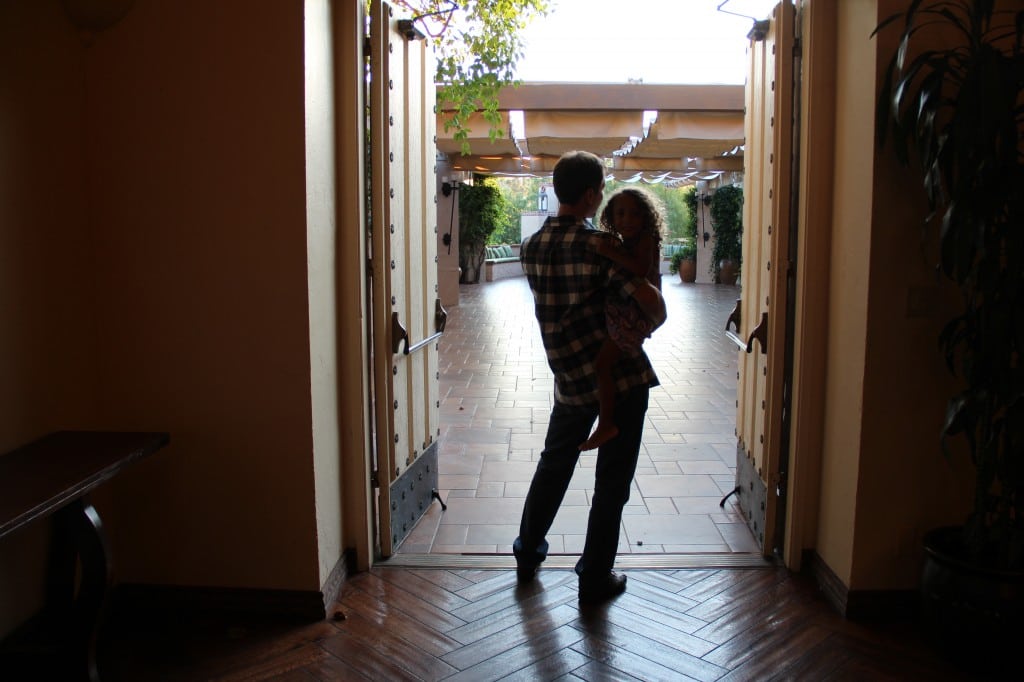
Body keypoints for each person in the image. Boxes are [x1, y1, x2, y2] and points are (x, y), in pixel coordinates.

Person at [514, 151, 667, 605]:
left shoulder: (531, 246)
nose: (602, 197)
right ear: (588, 194)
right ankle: (594, 576)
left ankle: (527, 554)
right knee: (611, 484)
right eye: (600, 190)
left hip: (568, 380)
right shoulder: (600, 247)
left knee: (553, 465)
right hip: (619, 382)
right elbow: (653, 308)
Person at [579, 187, 665, 451]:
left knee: (602, 365)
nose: (627, 220)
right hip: (629, 311)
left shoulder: (645, 240)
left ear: (646, 218)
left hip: (635, 315)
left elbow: (640, 269)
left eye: (635, 215)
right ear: (611, 217)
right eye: (621, 214)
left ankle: (606, 424)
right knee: (607, 363)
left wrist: (610, 253)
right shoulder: (629, 241)